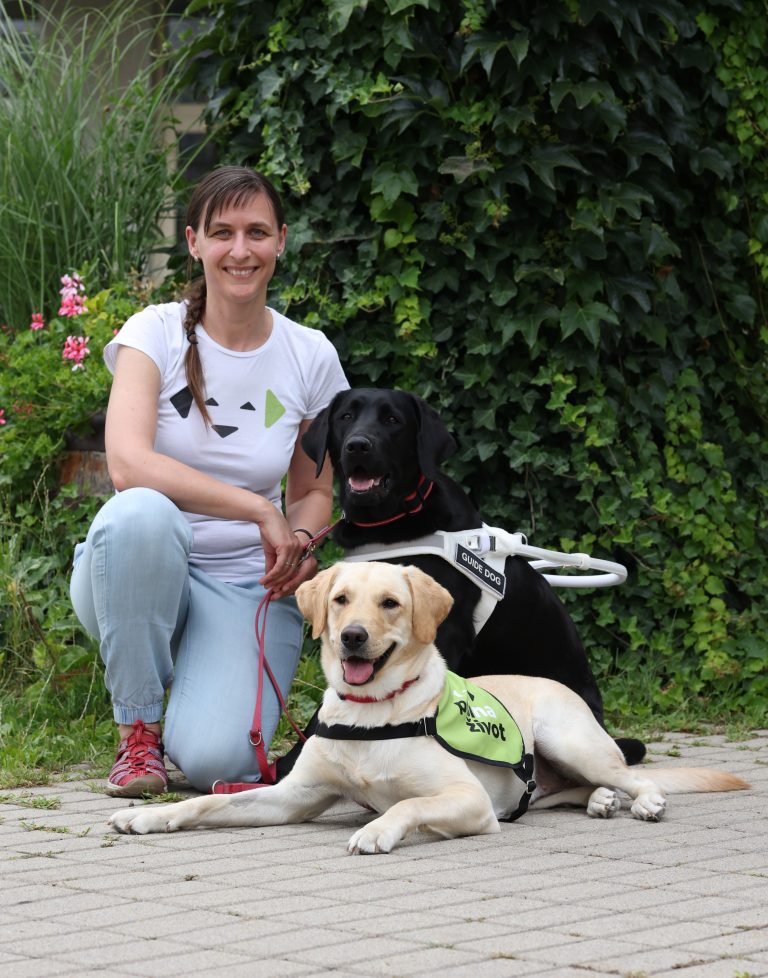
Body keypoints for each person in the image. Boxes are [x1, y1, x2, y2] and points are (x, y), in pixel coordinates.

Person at [70, 165, 349, 796]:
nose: (240, 250)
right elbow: (128, 465)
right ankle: (137, 732)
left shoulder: (312, 356)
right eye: (222, 233)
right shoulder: (155, 333)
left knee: (217, 764)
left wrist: (298, 545)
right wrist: (256, 508)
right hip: (134, 573)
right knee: (141, 512)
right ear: (193, 241)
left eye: (257, 232)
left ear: (282, 239)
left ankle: (194, 701)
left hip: (245, 586)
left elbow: (313, 492)